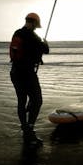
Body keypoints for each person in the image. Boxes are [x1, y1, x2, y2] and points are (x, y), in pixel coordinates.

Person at [9, 12, 49, 145]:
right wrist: (45, 43)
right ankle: (30, 129)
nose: (36, 28)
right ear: (34, 23)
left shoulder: (17, 33)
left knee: (22, 100)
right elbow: (46, 50)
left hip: (15, 72)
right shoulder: (32, 36)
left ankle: (25, 127)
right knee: (37, 101)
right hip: (27, 74)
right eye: (36, 26)